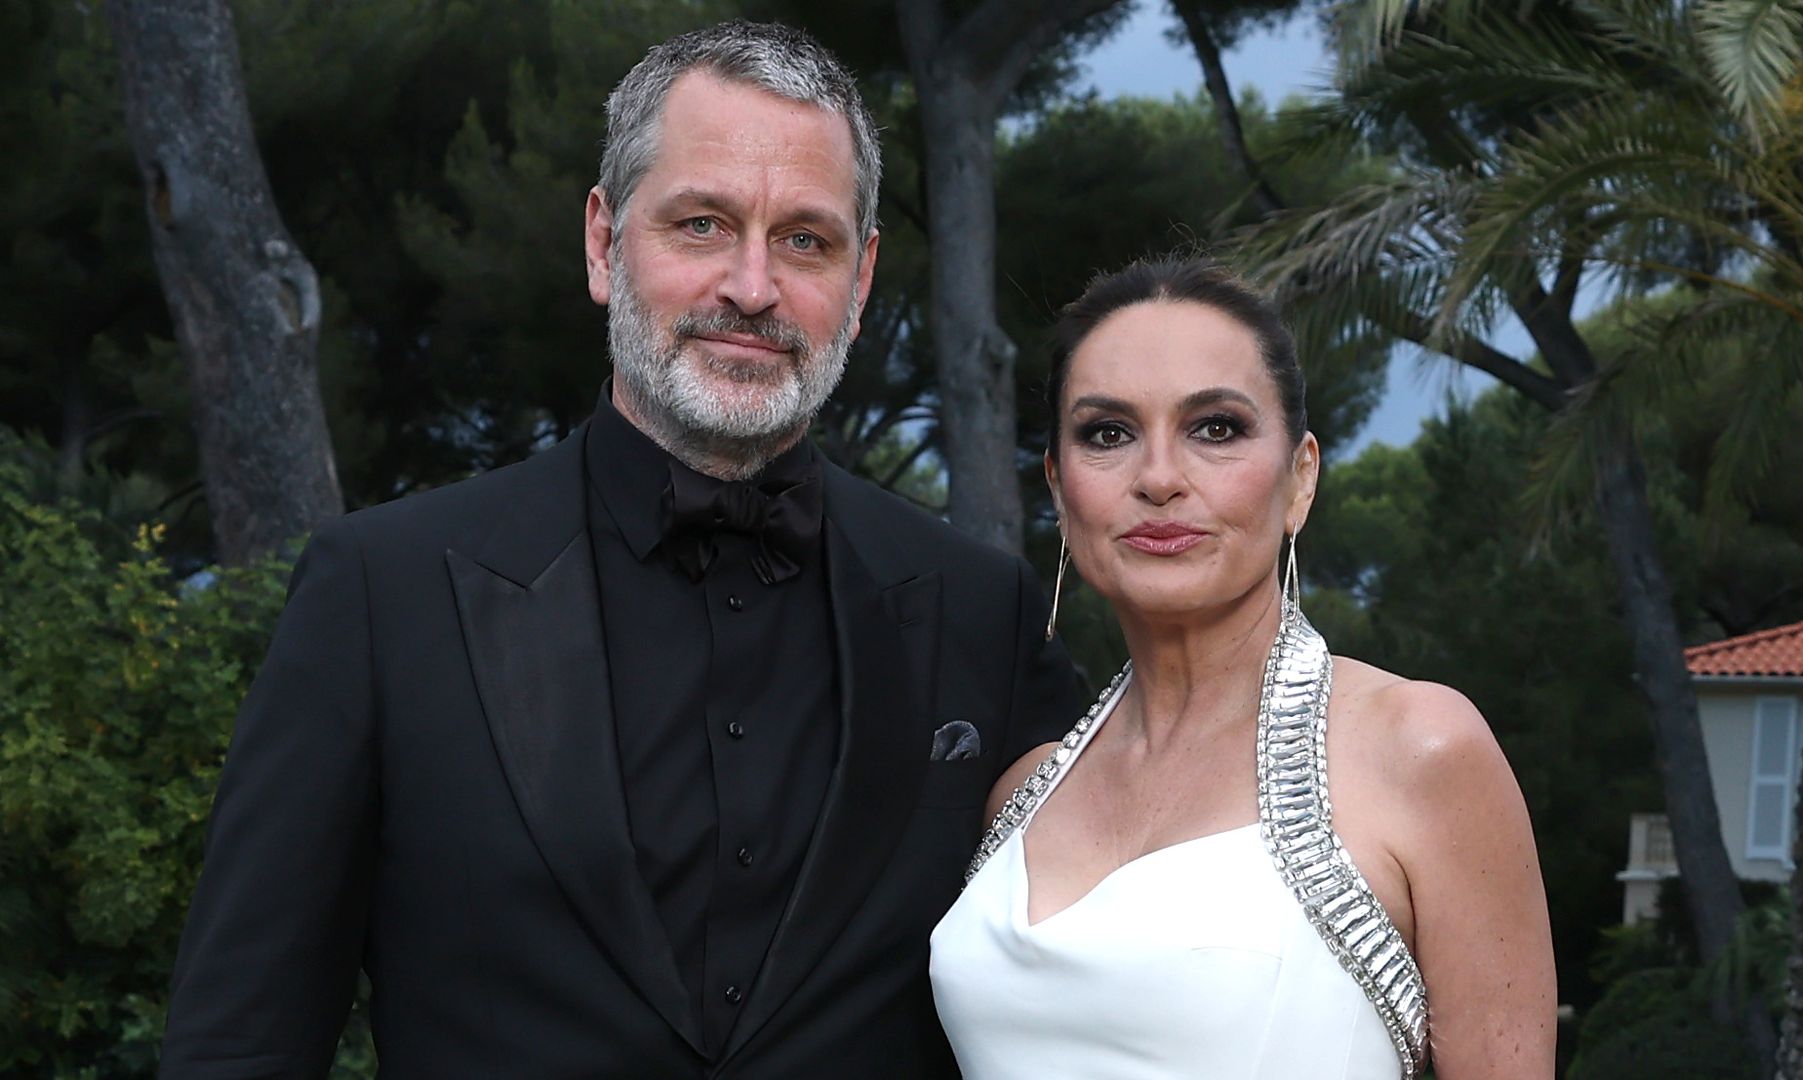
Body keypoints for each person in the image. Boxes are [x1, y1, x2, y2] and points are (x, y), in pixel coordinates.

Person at [159, 21, 1080, 1078]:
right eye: (702, 224)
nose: (752, 286)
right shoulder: (384, 594)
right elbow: (240, 1041)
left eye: (805, 241)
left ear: (862, 281)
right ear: (604, 244)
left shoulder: (981, 611)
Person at [930, 256, 1557, 1078]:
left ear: (1300, 479)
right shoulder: (1019, 793)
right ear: (1058, 484)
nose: (1159, 478)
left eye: (1216, 429)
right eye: (1108, 433)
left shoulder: (1419, 750)